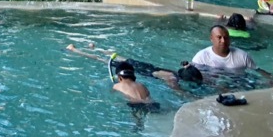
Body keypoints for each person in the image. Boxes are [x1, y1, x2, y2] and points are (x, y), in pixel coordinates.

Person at [65, 44, 204, 92]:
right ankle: (75, 50)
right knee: (103, 61)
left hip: (146, 66)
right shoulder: (173, 79)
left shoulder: (175, 72)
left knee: (117, 57)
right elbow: (179, 92)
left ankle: (96, 47)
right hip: (142, 70)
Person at [191, 25, 257, 73]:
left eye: (226, 38)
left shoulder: (243, 56)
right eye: (219, 37)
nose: (223, 41)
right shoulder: (201, 58)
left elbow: (257, 70)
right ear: (211, 38)